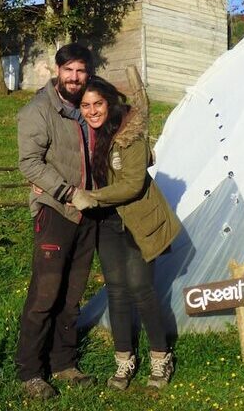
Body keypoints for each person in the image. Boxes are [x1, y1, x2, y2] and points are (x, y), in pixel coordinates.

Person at [72, 69, 181, 391]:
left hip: (136, 220)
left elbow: (133, 185)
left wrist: (91, 197)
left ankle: (161, 357)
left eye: (98, 104)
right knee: (116, 291)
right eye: (86, 105)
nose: (92, 110)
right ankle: (124, 360)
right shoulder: (88, 137)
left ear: (109, 104)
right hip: (106, 222)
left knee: (141, 290)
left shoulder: (128, 136)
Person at [15, 43, 98, 400]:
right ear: (57, 70)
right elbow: (30, 163)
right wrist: (66, 192)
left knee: (72, 295)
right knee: (45, 294)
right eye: (69, 70)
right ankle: (30, 370)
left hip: (89, 213)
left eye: (80, 71)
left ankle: (63, 362)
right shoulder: (39, 111)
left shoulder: (88, 110)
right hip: (55, 210)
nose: (75, 77)